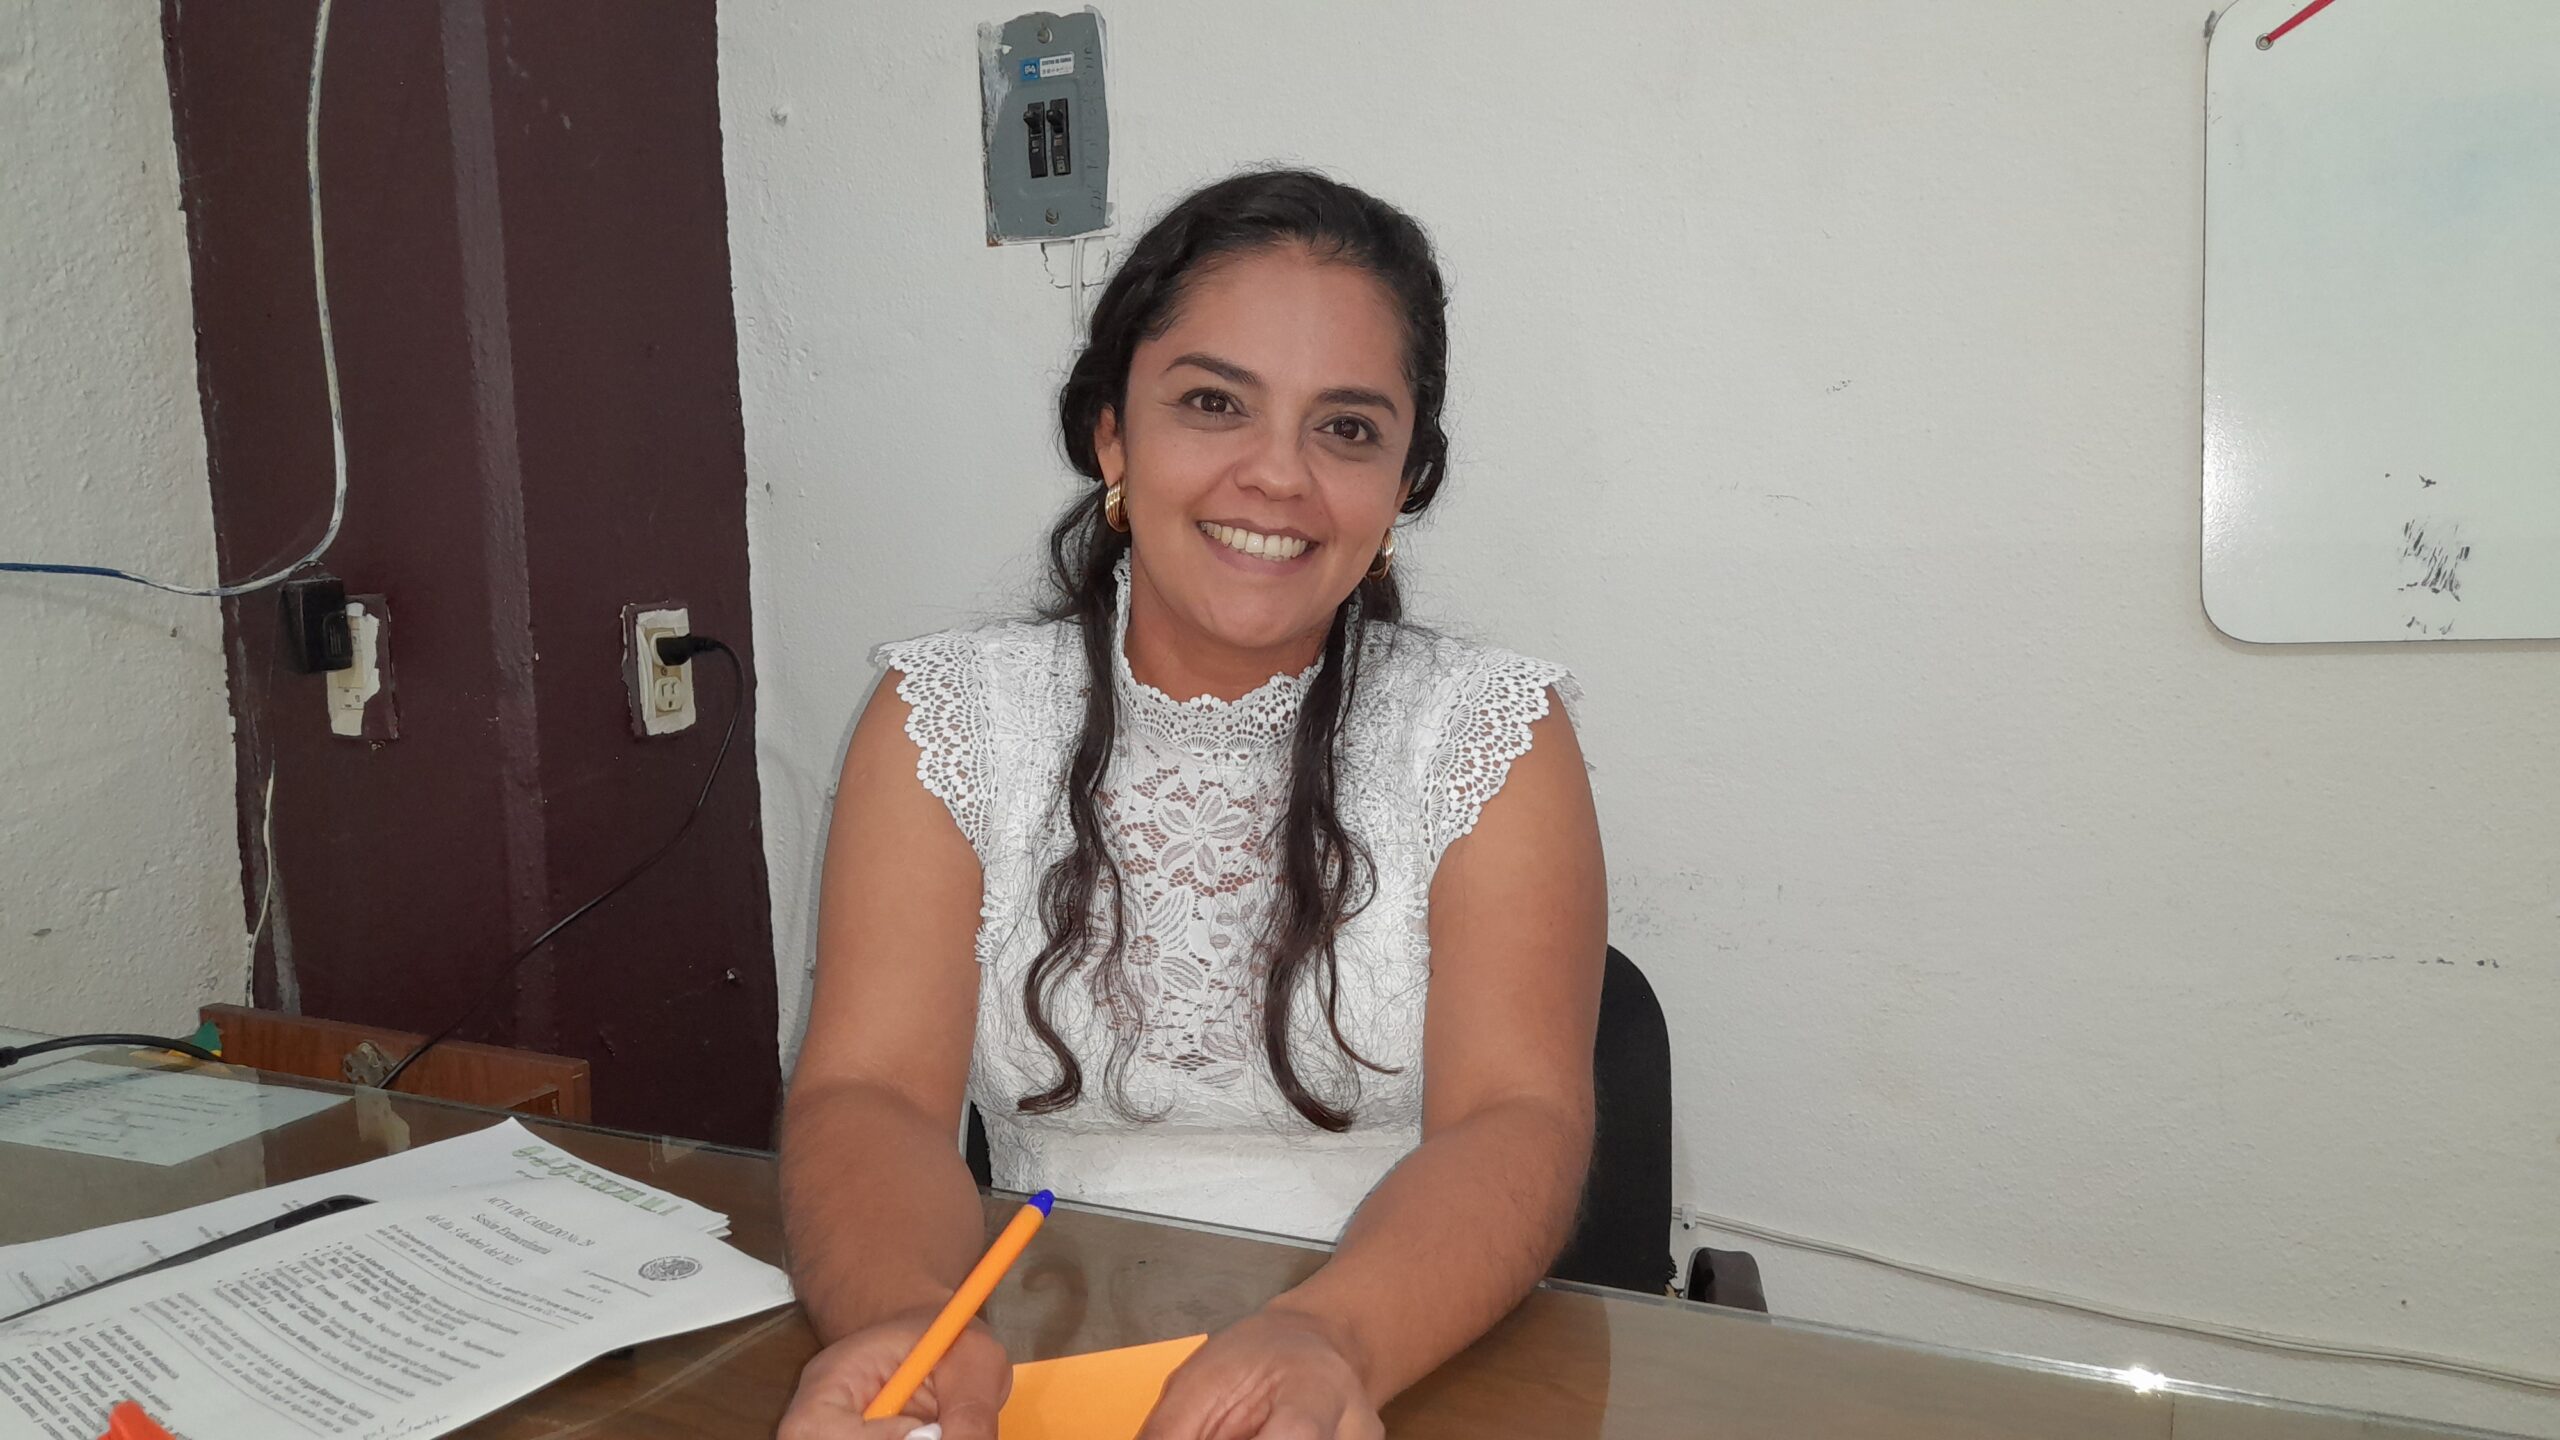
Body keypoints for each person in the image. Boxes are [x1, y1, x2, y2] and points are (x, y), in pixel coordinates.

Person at [776, 168, 1607, 1440]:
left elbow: (1517, 1118)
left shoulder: (1490, 734)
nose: (1275, 476)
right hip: (1026, 1363)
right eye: (1214, 403)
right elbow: (871, 1093)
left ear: (1403, 482)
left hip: (1405, 1353)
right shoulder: (949, 718)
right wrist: (903, 1323)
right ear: (1113, 434)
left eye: (1346, 428)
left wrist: (1333, 1339)